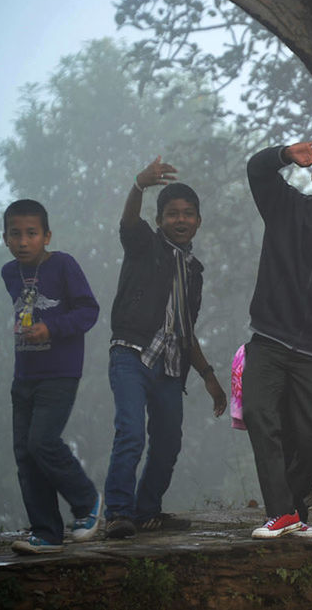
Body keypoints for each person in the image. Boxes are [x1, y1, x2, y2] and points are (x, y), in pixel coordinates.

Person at [103, 157, 227, 539]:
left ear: (199, 221)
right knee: (130, 433)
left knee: (169, 441)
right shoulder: (145, 246)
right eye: (172, 213)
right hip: (131, 353)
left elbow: (186, 329)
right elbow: (128, 224)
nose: (180, 219)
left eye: (188, 213)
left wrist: (208, 375)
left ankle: (147, 511)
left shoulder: (194, 271)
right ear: (158, 221)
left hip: (172, 367)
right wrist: (138, 186)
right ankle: (118, 513)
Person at [243, 140, 312, 539]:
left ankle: (291, 505)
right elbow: (256, 170)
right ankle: (282, 513)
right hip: (269, 337)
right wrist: (284, 154)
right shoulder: (286, 206)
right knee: (261, 417)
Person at [1, 199, 102, 554]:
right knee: (25, 454)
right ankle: (46, 533)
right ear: (5, 238)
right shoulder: (9, 272)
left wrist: (52, 329)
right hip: (24, 373)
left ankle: (86, 500)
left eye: (31, 234)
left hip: (60, 372)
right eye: (16, 234)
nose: (23, 241)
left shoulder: (62, 265)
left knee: (42, 441)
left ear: (47, 236)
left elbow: (89, 311)